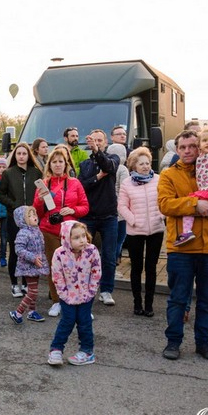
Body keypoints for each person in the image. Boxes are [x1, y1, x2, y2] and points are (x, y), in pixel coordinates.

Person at [158, 129, 208, 362]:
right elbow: (165, 204)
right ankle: (173, 341)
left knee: (207, 300)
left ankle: (204, 343)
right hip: (181, 249)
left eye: (191, 146)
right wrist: (195, 205)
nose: (187, 151)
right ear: (177, 149)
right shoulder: (169, 175)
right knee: (177, 299)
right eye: (182, 147)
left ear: (201, 146)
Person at [33, 146, 88, 317]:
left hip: (71, 232)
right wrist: (40, 202)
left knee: (74, 268)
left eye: (61, 162)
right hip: (49, 230)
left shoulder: (75, 183)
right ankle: (57, 301)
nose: (58, 165)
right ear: (49, 165)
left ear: (66, 164)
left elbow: (85, 207)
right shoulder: (44, 184)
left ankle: (75, 301)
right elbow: (37, 212)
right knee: (53, 267)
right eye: (54, 162)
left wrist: (72, 211)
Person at [117, 147, 164, 317]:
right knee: (136, 268)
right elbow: (122, 205)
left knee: (151, 267)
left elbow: (164, 200)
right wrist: (133, 220)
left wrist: (161, 215)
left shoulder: (158, 180)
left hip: (156, 230)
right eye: (141, 163)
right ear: (133, 165)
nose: (145, 166)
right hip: (135, 231)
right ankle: (137, 303)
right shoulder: (127, 183)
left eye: (147, 163)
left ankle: (149, 304)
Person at [47, 220, 101, 366]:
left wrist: (91, 290)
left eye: (83, 236)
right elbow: (57, 276)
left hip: (86, 295)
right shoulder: (59, 254)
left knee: (85, 322)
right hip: (67, 296)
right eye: (76, 238)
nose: (82, 240)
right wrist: (63, 294)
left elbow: (96, 272)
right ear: (66, 238)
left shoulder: (92, 251)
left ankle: (87, 351)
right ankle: (56, 350)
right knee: (67, 321)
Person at [78, 129, 120, 306]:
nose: (96, 142)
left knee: (109, 256)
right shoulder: (85, 165)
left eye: (99, 140)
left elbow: (108, 167)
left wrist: (97, 152)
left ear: (105, 142)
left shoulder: (113, 159)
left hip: (109, 216)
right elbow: (82, 186)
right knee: (84, 254)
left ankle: (106, 290)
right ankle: (85, 288)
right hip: (88, 216)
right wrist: (96, 177)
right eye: (93, 140)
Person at [0, 142, 43, 298]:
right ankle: (14, 284)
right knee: (16, 252)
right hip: (14, 219)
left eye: (24, 153)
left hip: (32, 220)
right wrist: (13, 204)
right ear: (15, 156)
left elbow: (43, 193)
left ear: (28, 155)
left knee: (30, 252)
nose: (21, 156)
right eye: (19, 153)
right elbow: (0, 194)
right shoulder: (8, 173)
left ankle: (25, 283)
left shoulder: (36, 173)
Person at [8, 206, 48, 324]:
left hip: (36, 266)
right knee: (33, 292)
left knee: (33, 290)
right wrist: (32, 258)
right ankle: (18, 312)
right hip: (28, 266)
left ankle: (31, 312)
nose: (34, 217)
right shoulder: (23, 233)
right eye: (29, 216)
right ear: (22, 220)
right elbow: (19, 249)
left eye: (34, 214)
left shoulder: (37, 230)